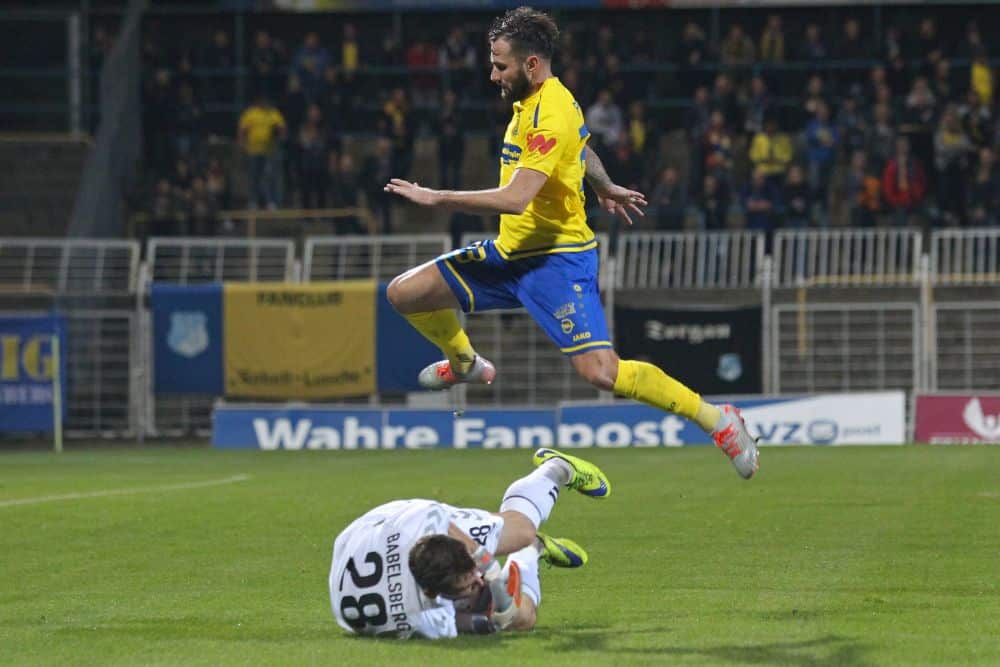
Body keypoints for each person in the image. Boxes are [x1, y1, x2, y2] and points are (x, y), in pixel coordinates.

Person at [383, 7, 758, 479]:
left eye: (500, 66)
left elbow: (516, 199)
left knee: (602, 372)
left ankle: (718, 420)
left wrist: (437, 197)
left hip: (556, 261)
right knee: (404, 293)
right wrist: (603, 184)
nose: (493, 75)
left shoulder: (550, 113)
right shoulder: (543, 100)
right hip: (510, 254)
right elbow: (581, 147)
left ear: (531, 64)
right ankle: (464, 363)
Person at [329, 449, 609, 638]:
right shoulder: (422, 619)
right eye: (469, 585)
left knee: (521, 530)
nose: (478, 581)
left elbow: (447, 528)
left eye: (474, 576)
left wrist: (489, 568)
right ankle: (533, 549)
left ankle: (557, 468)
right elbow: (479, 625)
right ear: (432, 593)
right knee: (522, 619)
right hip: (370, 559)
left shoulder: (424, 521)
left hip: (380, 527)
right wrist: (498, 619)